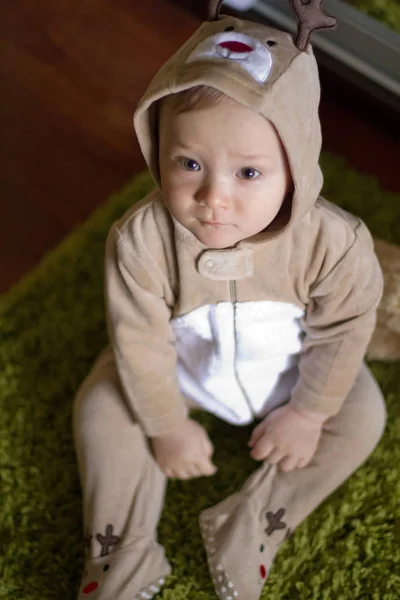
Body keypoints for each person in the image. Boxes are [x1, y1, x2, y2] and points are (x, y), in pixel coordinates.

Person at [73, 2, 386, 599]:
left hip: (287, 378)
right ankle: (118, 548)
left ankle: (254, 523)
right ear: (157, 149)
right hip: (181, 372)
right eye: (188, 163)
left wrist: (309, 414)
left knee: (363, 413)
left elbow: (345, 330)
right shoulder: (140, 240)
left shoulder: (333, 243)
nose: (212, 198)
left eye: (248, 174)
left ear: (295, 169)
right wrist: (165, 424)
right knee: (102, 402)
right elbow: (137, 338)